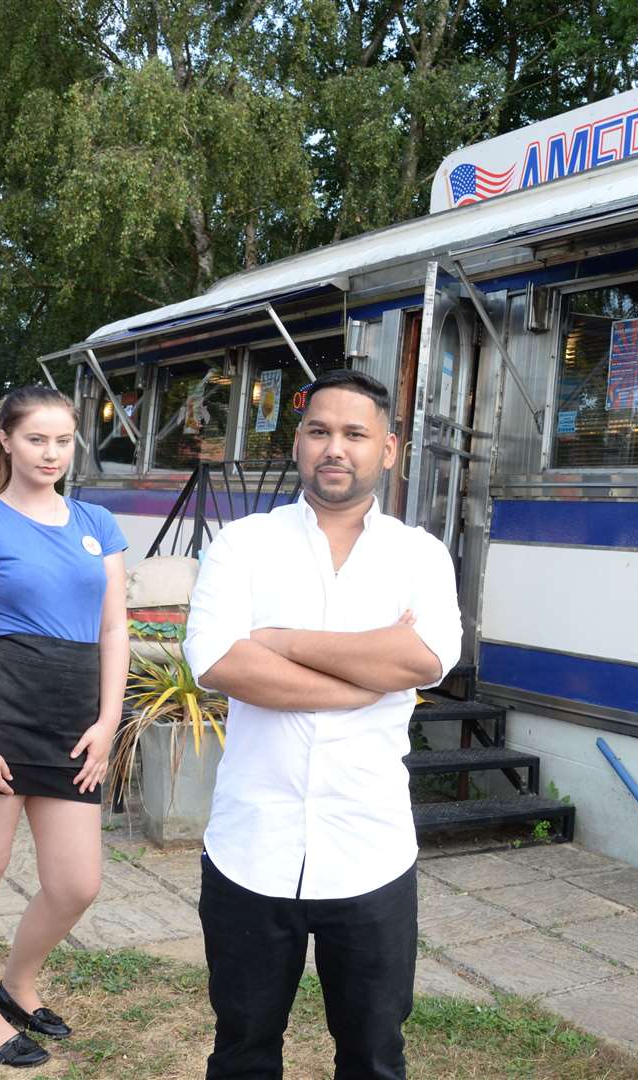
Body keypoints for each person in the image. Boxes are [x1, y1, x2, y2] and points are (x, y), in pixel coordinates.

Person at [183, 369, 461, 1080]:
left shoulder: (420, 555)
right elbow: (217, 660)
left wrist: (276, 638)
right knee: (242, 1052)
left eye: (355, 434)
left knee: (373, 1056)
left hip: (369, 849)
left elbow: (425, 657)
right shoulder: (242, 545)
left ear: (388, 450)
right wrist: (358, 681)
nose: (335, 447)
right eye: (319, 431)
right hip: (251, 845)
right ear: (299, 442)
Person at [0, 386, 129, 1068]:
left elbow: (112, 628)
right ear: (7, 441)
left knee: (76, 883)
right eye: (37, 439)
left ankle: (16, 983)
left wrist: (109, 722)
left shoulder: (97, 524)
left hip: (74, 720)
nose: (52, 452)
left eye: (63, 439)